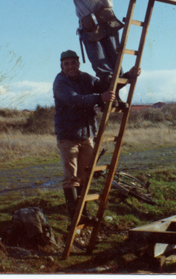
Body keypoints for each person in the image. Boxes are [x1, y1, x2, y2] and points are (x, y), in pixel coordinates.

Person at [53, 0, 150, 109]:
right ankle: (110, 100)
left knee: (115, 61)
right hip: (89, 25)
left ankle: (116, 98)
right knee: (101, 65)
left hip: (108, 21)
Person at [53, 49, 116, 225]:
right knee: (71, 177)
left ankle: (84, 213)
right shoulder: (60, 82)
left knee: (84, 176)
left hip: (87, 135)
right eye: (67, 64)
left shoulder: (86, 78)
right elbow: (74, 100)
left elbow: (104, 87)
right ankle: (75, 216)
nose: (71, 67)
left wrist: (126, 76)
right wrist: (99, 97)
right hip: (68, 137)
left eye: (73, 63)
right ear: (62, 66)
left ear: (78, 64)